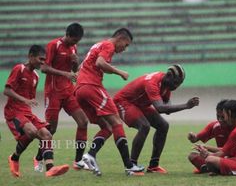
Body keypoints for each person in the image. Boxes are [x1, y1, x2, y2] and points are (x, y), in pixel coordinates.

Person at [74, 27, 144, 176]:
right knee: (117, 121)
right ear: (121, 38)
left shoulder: (97, 45)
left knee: (107, 127)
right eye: (126, 45)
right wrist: (120, 73)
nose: (124, 49)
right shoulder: (109, 45)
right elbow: (100, 63)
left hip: (80, 90)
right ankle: (129, 165)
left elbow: (82, 67)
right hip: (91, 86)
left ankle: (90, 155)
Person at [113, 64, 200, 174]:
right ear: (168, 76)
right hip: (124, 102)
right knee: (144, 126)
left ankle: (153, 165)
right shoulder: (152, 83)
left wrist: (168, 107)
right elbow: (160, 108)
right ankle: (131, 165)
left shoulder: (167, 84)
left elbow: (166, 107)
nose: (176, 86)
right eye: (176, 82)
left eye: (179, 83)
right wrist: (186, 106)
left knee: (163, 126)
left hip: (141, 104)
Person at [4, 45, 69, 177]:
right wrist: (25, 100)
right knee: (32, 132)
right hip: (14, 111)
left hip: (26, 112)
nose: (43, 62)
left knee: (47, 134)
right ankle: (15, 158)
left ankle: (50, 168)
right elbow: (7, 90)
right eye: (40, 59)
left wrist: (28, 101)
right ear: (31, 56)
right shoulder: (19, 69)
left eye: (44, 60)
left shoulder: (36, 76)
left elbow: (30, 97)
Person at [34, 22, 89, 172]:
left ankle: (78, 161)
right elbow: (44, 68)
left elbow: (73, 70)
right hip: (53, 92)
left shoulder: (73, 47)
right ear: (68, 35)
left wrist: (75, 63)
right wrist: (65, 73)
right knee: (51, 130)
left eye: (77, 42)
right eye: (74, 40)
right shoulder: (53, 45)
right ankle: (39, 158)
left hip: (68, 91)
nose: (75, 43)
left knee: (83, 122)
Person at [187, 99, 236, 174]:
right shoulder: (215, 126)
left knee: (212, 159)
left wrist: (207, 148)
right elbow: (195, 139)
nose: (220, 120)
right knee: (192, 155)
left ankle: (212, 168)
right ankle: (211, 168)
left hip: (234, 158)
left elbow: (229, 152)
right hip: (220, 157)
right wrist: (192, 137)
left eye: (223, 117)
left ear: (229, 115)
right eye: (218, 116)